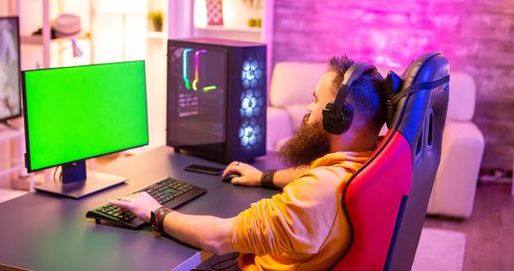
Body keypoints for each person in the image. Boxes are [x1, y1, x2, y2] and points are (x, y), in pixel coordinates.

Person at [110, 55, 386, 270]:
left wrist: (156, 212)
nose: (307, 109)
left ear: (339, 118)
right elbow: (312, 173)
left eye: (315, 102)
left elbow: (218, 238)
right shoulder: (369, 159)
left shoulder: (318, 191)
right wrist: (263, 178)